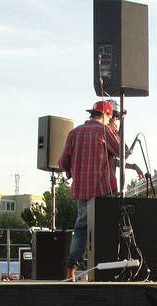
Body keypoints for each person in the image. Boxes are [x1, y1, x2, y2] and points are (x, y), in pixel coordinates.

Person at [58, 100, 121, 281]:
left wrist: (73, 173)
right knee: (106, 230)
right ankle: (105, 269)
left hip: (82, 190)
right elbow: (122, 152)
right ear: (107, 115)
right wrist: (114, 130)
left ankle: (72, 267)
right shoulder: (105, 131)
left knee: (81, 229)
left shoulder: (75, 132)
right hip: (103, 190)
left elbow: (62, 162)